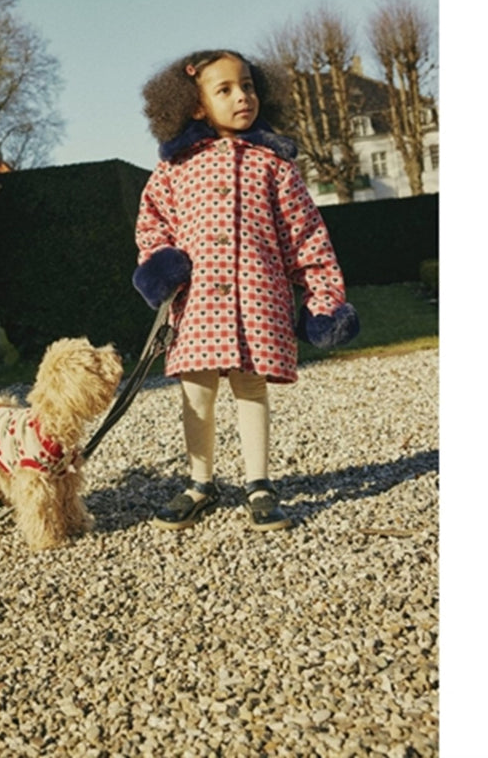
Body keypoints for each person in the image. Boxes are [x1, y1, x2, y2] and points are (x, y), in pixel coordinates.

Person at [132, 49, 359, 532]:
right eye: (226, 89)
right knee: (196, 392)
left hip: (259, 297)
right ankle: (200, 482)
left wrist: (323, 300)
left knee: (251, 389)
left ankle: (259, 483)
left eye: (249, 86)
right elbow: (153, 222)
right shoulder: (175, 167)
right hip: (196, 303)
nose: (243, 97)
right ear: (195, 105)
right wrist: (161, 263)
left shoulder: (274, 165)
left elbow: (306, 237)